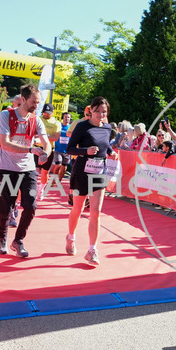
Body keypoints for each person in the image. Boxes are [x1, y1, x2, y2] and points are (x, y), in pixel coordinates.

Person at [0, 85, 51, 258]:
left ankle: (18, 241)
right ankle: (1, 238)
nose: (36, 105)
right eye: (34, 102)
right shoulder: (6, 115)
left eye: (38, 102)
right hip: (7, 168)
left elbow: (47, 143)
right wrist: (30, 150)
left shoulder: (36, 120)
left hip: (28, 170)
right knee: (6, 209)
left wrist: (46, 153)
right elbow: (5, 144)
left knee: (31, 206)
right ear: (24, 99)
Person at [65, 96, 118, 266]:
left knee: (96, 212)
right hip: (81, 172)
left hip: (99, 173)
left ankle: (92, 250)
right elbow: (69, 149)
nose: (101, 114)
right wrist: (85, 151)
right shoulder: (82, 127)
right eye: (98, 111)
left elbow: (105, 145)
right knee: (78, 208)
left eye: (104, 112)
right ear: (91, 111)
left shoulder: (107, 128)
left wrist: (111, 152)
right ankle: (71, 237)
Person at [36, 103, 61, 201]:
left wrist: (42, 136)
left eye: (48, 113)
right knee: (33, 170)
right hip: (36, 147)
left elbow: (55, 137)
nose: (46, 115)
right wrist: (46, 136)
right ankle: (31, 188)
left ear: (52, 112)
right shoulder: (38, 119)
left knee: (45, 172)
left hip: (49, 149)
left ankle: (41, 188)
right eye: (45, 113)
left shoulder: (56, 123)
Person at [50, 112, 72, 183]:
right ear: (63, 118)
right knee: (58, 164)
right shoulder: (59, 126)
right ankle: (54, 179)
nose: (67, 119)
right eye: (65, 117)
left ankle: (59, 180)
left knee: (64, 166)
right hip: (58, 149)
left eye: (68, 117)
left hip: (67, 150)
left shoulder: (71, 127)